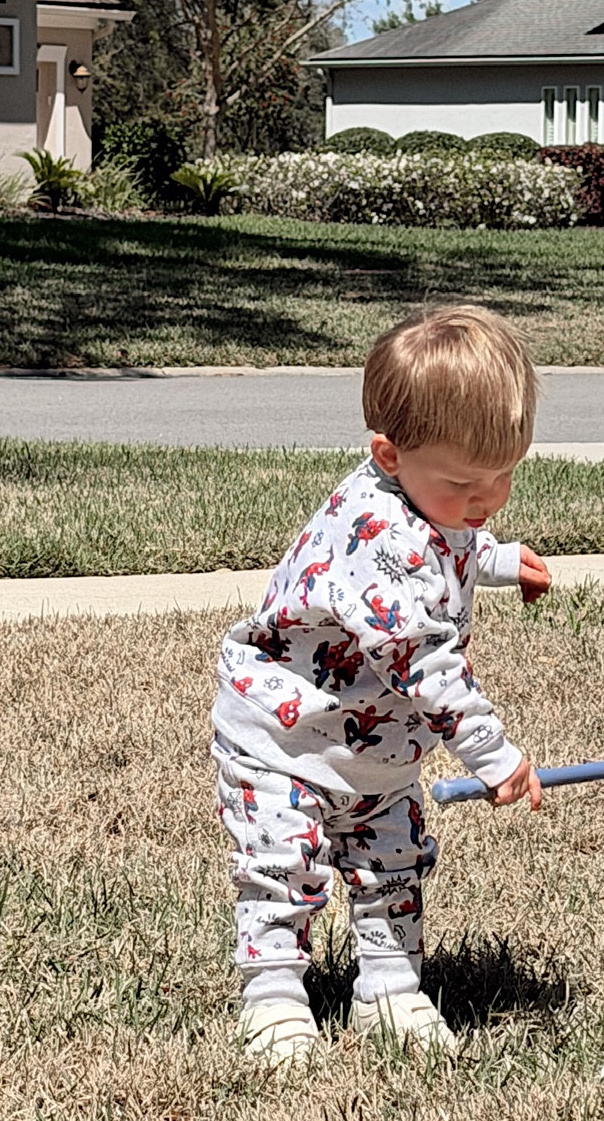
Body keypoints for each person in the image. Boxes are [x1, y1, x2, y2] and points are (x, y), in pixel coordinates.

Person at [211, 303, 551, 1065]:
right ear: (387, 455)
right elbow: (424, 663)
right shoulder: (376, 533)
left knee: (389, 859)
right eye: (467, 480)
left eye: (504, 475)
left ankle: (390, 990)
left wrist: (492, 559)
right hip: (281, 737)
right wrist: (492, 755)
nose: (486, 496)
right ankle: (272, 1004)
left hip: (376, 744)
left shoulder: (425, 499)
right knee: (279, 862)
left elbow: (449, 539)